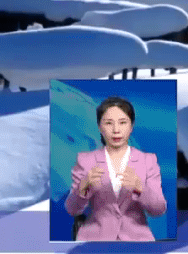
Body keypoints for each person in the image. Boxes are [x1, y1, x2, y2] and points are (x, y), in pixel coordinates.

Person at [64, 96, 168, 241]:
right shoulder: (86, 160)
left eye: (122, 122)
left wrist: (139, 188)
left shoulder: (147, 161)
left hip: (137, 242)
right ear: (100, 127)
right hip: (95, 241)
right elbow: (72, 209)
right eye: (108, 123)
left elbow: (159, 209)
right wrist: (83, 186)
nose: (116, 130)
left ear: (131, 126)